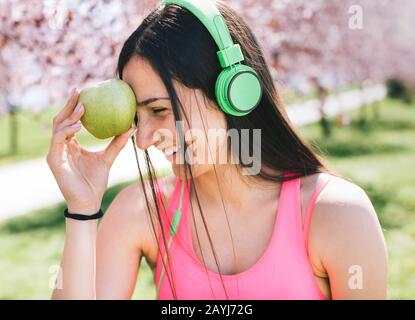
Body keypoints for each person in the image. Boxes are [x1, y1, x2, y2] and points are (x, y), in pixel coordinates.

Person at [47, 1, 387, 300]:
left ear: (233, 93)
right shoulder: (141, 212)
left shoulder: (337, 214)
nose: (145, 139)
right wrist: (83, 208)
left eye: (160, 111)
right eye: (138, 117)